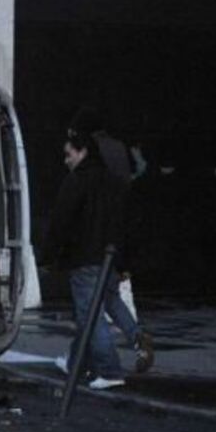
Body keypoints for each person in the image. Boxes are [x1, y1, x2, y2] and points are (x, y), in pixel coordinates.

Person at [69, 108, 155, 373]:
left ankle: (101, 366)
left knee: (89, 304)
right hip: (119, 234)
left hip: (95, 238)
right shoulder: (119, 150)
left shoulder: (89, 153)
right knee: (108, 296)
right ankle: (134, 335)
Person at [44, 132, 128, 390]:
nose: (66, 160)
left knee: (90, 318)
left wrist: (49, 257)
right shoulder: (111, 183)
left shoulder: (77, 182)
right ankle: (78, 363)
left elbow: (61, 222)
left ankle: (110, 369)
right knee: (93, 313)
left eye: (69, 154)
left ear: (83, 152)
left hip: (84, 258)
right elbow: (122, 223)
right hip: (108, 257)